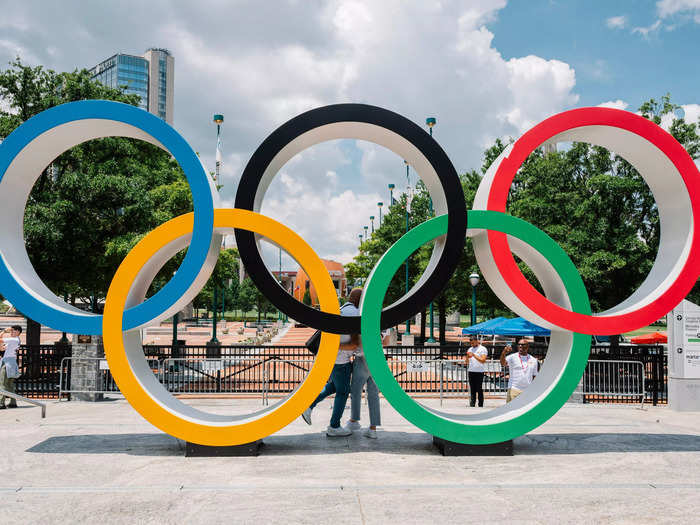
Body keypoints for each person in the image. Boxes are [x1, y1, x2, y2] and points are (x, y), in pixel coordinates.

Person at [301, 290, 360, 437]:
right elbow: (354, 345)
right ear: (359, 300)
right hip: (341, 360)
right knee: (343, 392)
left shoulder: (341, 310)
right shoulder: (355, 314)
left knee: (334, 386)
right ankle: (334, 426)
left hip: (332, 359)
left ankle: (309, 405)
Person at [343, 288, 385, 439]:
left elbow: (357, 339)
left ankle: (354, 420)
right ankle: (373, 428)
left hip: (362, 357)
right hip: (377, 359)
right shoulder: (379, 316)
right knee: (373, 394)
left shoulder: (360, 315)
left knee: (355, 391)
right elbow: (383, 340)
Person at [500, 338, 538, 403]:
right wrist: (504, 353)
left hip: (527, 391)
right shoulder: (512, 357)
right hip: (514, 389)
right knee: (511, 410)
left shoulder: (533, 360)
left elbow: (534, 376)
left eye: (523, 345)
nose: (520, 346)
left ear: (527, 346)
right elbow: (503, 363)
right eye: (519, 344)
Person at [0, 325, 22, 409]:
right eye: (11, 331)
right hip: (11, 363)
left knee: (2, 383)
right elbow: (2, 349)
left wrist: (4, 331)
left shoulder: (13, 339)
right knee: (10, 384)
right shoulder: (15, 340)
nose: (11, 332)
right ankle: (13, 402)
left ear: (18, 332)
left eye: (13, 331)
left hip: (7, 364)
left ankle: (1, 403)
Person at [466, 336, 488, 407]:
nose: (471, 344)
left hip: (479, 372)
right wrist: (467, 357)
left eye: (473, 343)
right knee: (472, 388)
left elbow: (483, 360)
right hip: (471, 371)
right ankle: (472, 403)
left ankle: (480, 404)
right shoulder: (470, 349)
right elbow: (466, 362)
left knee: (479, 388)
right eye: (470, 343)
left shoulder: (483, 349)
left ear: (476, 341)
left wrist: (474, 355)